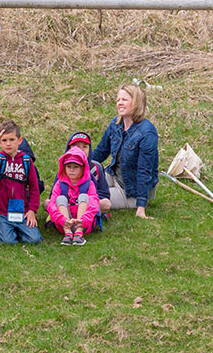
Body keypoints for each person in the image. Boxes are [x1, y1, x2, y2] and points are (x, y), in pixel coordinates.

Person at [90, 84, 158, 218]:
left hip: (130, 191)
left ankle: (61, 208)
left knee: (90, 201)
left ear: (136, 102)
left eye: (124, 100)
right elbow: (100, 153)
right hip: (113, 175)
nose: (119, 103)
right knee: (82, 187)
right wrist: (76, 166)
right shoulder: (116, 124)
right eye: (118, 100)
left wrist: (141, 207)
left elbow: (145, 171)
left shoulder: (147, 132)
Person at [0, 120, 42, 244]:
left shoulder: (26, 161)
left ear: (19, 140)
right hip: (2, 212)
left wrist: (32, 210)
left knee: (35, 240)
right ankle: (8, 230)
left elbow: (34, 188)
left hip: (22, 211)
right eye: (4, 140)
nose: (8, 144)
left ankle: (20, 230)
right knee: (7, 242)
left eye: (12, 139)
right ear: (0, 142)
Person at [46, 147, 100, 246]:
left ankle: (79, 234)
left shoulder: (89, 184)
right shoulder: (60, 184)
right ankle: (68, 234)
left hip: (84, 223)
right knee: (60, 198)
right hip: (64, 223)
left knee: (84, 196)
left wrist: (83, 220)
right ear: (64, 167)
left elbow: (94, 204)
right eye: (68, 166)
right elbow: (52, 204)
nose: (71, 170)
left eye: (76, 167)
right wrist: (62, 219)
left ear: (83, 168)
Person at [65, 132, 111, 213]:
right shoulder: (64, 167)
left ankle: (81, 213)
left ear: (89, 149)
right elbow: (54, 193)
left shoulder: (96, 167)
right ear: (69, 148)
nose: (81, 149)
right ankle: (69, 214)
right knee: (47, 203)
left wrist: (89, 201)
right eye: (77, 146)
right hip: (69, 203)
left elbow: (104, 194)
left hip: (89, 203)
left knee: (106, 203)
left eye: (85, 146)